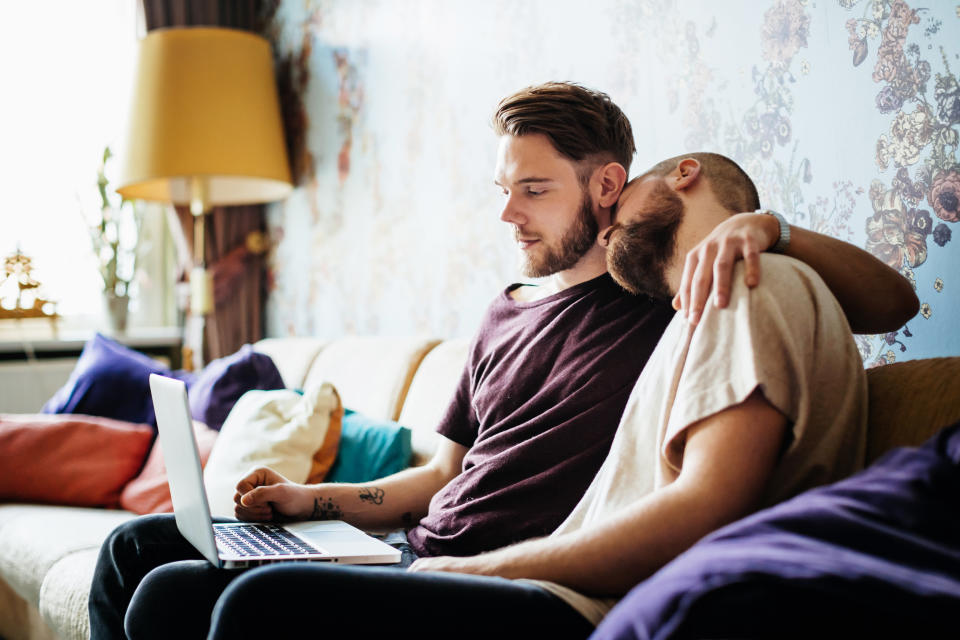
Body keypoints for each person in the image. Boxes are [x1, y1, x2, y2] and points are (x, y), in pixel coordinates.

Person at [89, 84, 915, 640]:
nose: (508, 215)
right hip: (433, 547)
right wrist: (317, 500)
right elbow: (445, 474)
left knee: (211, 598)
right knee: (141, 551)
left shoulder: (706, 293)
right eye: (503, 190)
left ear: (618, 186)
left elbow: (889, 305)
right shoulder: (552, 307)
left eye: (534, 190)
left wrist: (767, 227)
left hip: (534, 584)